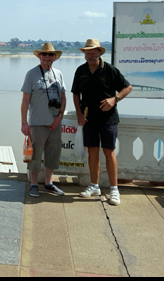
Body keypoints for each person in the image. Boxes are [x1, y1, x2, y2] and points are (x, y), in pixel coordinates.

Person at [72, 39, 132, 206]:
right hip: (89, 118)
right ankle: (94, 186)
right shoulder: (81, 71)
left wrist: (115, 99)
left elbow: (127, 87)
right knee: (92, 151)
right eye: (87, 52)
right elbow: (76, 94)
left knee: (109, 152)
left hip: (108, 119)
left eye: (93, 51)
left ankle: (114, 189)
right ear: (84, 54)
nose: (90, 54)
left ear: (100, 53)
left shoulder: (110, 69)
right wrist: (78, 113)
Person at [21, 42, 67, 198]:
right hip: (37, 122)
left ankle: (48, 183)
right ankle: (34, 184)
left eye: (50, 55)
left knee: (53, 153)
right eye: (44, 54)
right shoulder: (31, 74)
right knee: (35, 155)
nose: (47, 57)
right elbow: (25, 100)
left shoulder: (58, 74)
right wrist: (23, 122)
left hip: (55, 123)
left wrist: (60, 117)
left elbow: (63, 97)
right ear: (39, 56)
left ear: (55, 57)